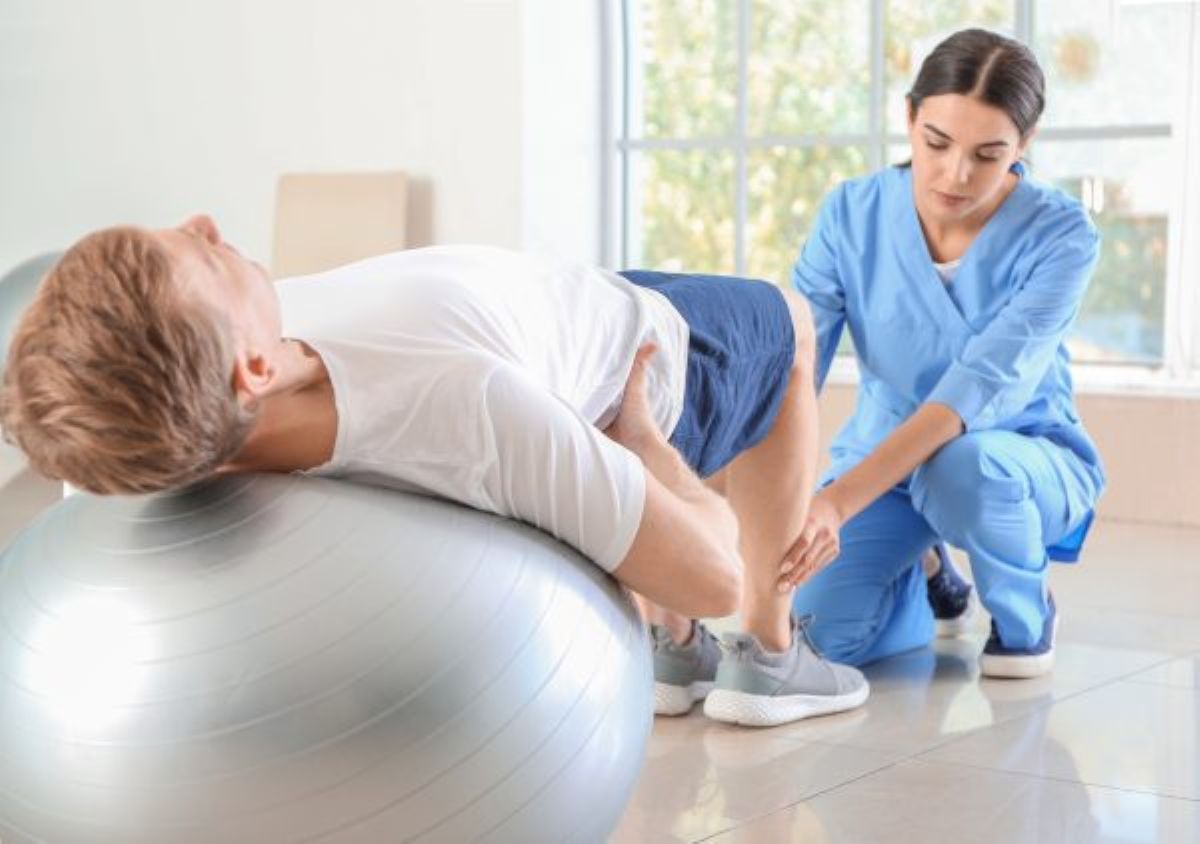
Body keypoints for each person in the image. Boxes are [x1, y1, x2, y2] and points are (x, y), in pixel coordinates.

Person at [0, 223, 866, 726]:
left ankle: (675, 657)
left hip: (565, 301)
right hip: (640, 352)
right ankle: (771, 653)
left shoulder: (163, 413)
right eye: (203, 255)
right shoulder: (464, 409)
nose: (205, 224)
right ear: (250, 372)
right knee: (790, 321)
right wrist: (637, 442)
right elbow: (711, 566)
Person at [777, 28, 1105, 679]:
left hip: (1012, 460)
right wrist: (757, 496)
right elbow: (794, 368)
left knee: (963, 466)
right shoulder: (850, 214)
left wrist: (837, 505)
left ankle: (1025, 616)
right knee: (814, 639)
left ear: (1025, 144)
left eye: (988, 154)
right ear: (909, 118)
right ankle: (929, 576)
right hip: (881, 463)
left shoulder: (1063, 235)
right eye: (936, 143)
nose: (956, 174)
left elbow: (974, 389)